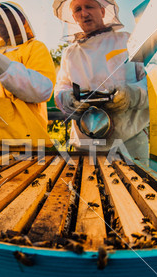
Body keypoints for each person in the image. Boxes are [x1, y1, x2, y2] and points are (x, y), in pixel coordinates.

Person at [53, 0, 149, 160]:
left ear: (103, 11)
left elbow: (152, 83)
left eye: (89, 6)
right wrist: (67, 99)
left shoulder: (128, 41)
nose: (84, 13)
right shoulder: (70, 53)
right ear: (74, 17)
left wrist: (130, 96)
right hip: (83, 146)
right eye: (78, 9)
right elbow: (61, 88)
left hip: (129, 143)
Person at [0, 2, 56, 152]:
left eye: (3, 15)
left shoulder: (34, 47)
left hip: (25, 148)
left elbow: (43, 89)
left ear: (21, 19)